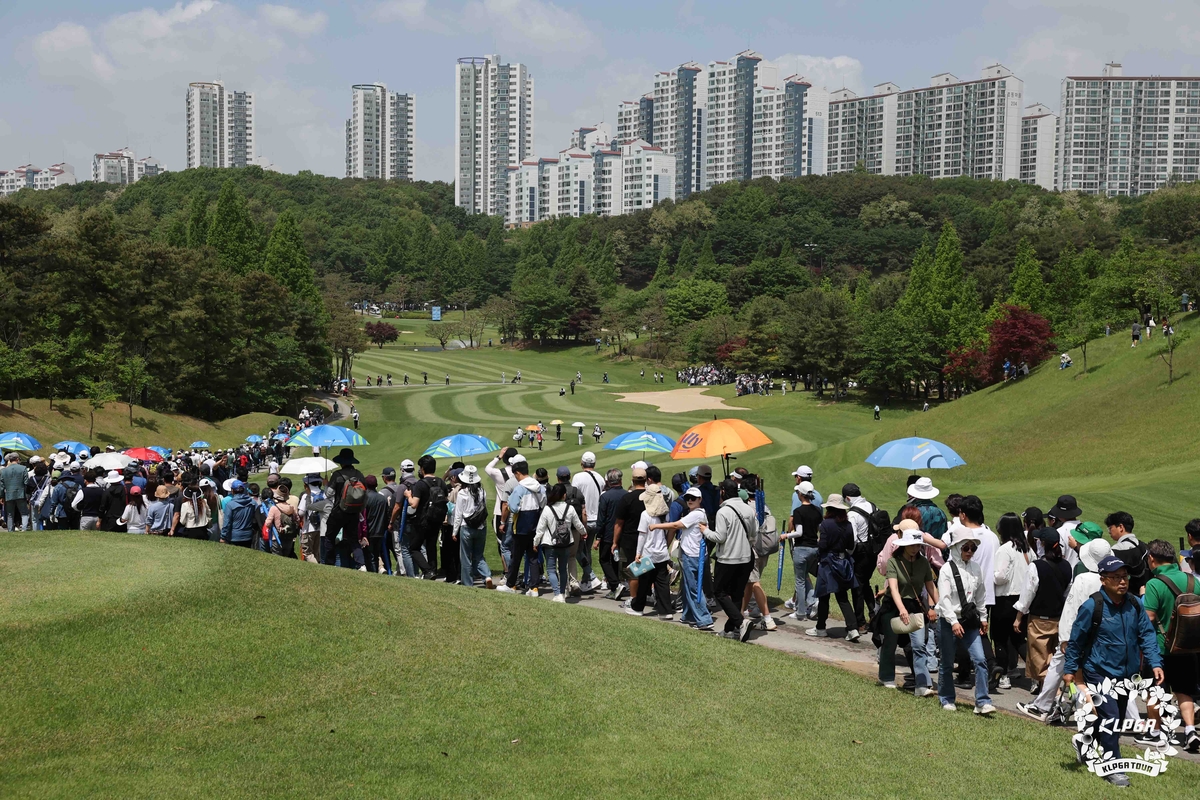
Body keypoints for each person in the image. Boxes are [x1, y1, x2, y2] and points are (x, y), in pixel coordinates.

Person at [1064, 556, 1164, 788]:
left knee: (1114, 720)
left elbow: (1147, 635)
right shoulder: (1092, 606)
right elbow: (1076, 641)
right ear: (1103, 580)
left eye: (1125, 577)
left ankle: (1085, 743)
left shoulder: (1135, 604)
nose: (1122, 582)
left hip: (1126, 674)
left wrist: (1155, 662)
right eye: (1116, 577)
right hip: (1099, 671)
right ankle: (1114, 768)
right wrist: (1070, 669)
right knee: (1111, 718)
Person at [1017, 538, 1112, 723]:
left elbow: (1071, 610)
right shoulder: (1109, 580)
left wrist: (1065, 638)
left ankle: (1043, 706)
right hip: (1101, 635)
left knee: (1063, 669)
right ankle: (1129, 717)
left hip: (1077, 634)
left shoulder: (1083, 579)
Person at [1143, 539, 1199, 752]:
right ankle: (1190, 731)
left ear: (1151, 559)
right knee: (1184, 691)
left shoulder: (1154, 584)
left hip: (1161, 647)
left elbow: (1148, 617)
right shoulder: (1192, 581)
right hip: (1188, 646)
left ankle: (1155, 732)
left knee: (1154, 691)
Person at [935, 530, 994, 714]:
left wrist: (983, 617)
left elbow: (981, 595)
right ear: (956, 548)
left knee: (980, 660)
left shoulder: (976, 568)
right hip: (948, 620)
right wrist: (953, 622)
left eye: (973, 548)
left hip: (968, 620)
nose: (970, 551)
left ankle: (982, 701)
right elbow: (944, 600)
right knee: (946, 662)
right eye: (966, 548)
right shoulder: (946, 569)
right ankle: (946, 698)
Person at [879, 521, 939, 694]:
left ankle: (921, 684)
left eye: (918, 545)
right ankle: (886, 676)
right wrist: (901, 609)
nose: (915, 548)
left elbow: (930, 586)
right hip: (893, 605)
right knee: (890, 643)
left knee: (919, 645)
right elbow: (894, 589)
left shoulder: (924, 563)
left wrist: (937, 606)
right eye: (912, 545)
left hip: (915, 605)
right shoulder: (894, 562)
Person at [1014, 528, 1073, 696]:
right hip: (1059, 619)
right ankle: (1046, 696)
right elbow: (1067, 594)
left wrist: (1019, 617)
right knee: (1052, 659)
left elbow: (1027, 595)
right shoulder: (1067, 566)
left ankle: (1054, 695)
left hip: (1039, 620)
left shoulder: (1036, 566)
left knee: (1039, 662)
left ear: (1042, 544)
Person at [651, 487, 714, 630]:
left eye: (693, 498)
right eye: (688, 498)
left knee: (693, 588)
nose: (690, 500)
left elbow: (675, 525)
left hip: (692, 555)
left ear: (700, 500)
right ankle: (688, 616)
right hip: (693, 554)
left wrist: (655, 526)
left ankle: (704, 619)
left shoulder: (696, 514)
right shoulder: (697, 513)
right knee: (686, 586)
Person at [706, 479, 757, 641]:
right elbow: (754, 534)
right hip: (746, 557)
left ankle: (741, 623)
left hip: (728, 558)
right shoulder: (748, 509)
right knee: (736, 594)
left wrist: (704, 530)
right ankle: (730, 629)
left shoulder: (723, 512)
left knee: (719, 592)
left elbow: (719, 537)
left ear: (722, 492)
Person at [807, 494, 861, 642]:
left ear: (829, 509)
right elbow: (850, 545)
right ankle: (852, 628)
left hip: (827, 562)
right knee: (843, 597)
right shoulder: (848, 525)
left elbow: (823, 545)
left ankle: (820, 628)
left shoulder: (826, 524)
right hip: (842, 562)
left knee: (824, 596)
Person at [992, 512, 1031, 690]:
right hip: (1023, 599)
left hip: (1005, 599)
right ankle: (1036, 675)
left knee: (999, 638)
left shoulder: (1005, 549)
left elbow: (1000, 577)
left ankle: (1004, 676)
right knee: (1018, 639)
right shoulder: (1027, 548)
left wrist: (988, 576)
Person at [496, 456, 543, 595]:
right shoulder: (538, 487)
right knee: (533, 557)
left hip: (521, 525)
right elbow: (543, 503)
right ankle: (533, 588)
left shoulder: (519, 489)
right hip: (535, 524)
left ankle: (511, 585)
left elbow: (514, 508)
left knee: (516, 556)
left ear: (517, 473)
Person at [532, 483, 585, 603]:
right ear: (564, 495)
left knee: (551, 569)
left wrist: (535, 542)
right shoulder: (570, 508)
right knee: (563, 569)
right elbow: (578, 524)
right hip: (566, 543)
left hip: (550, 543)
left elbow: (540, 529)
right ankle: (562, 592)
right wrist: (583, 532)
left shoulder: (547, 509)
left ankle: (557, 593)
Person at [628, 483, 673, 618]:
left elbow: (642, 535)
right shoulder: (665, 514)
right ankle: (665, 611)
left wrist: (638, 553)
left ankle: (638, 608)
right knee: (662, 583)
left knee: (644, 582)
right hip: (662, 553)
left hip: (648, 553)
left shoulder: (645, 514)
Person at [782, 481, 822, 621]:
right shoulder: (817, 510)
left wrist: (786, 535)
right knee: (805, 577)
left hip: (801, 549)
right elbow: (819, 529)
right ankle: (813, 601)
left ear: (801, 495)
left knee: (799, 581)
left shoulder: (798, 511)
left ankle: (800, 612)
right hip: (814, 549)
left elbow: (799, 532)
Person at [405, 455, 448, 580]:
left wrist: (408, 495)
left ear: (422, 469)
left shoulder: (421, 484)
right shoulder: (441, 482)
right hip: (437, 519)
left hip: (423, 520)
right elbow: (445, 499)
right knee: (431, 545)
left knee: (413, 548)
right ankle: (433, 570)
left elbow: (414, 504)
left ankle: (427, 570)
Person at [843, 483, 877, 633]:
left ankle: (860, 623)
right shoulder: (872, 505)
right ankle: (874, 614)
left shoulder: (852, 514)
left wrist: (847, 555)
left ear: (848, 498)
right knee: (865, 584)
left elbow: (853, 540)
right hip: (874, 551)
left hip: (861, 553)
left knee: (857, 588)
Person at [451, 465, 493, 588]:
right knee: (479, 555)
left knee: (465, 558)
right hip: (481, 527)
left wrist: (454, 532)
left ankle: (468, 583)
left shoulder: (462, 493)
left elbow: (458, 515)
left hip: (466, 528)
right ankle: (487, 576)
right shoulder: (482, 492)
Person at [325, 449, 367, 570]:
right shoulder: (359, 475)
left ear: (341, 462)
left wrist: (326, 484)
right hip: (354, 512)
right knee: (353, 539)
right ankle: (361, 564)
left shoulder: (337, 475)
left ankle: (329, 562)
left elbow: (329, 494)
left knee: (330, 536)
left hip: (339, 511)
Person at [612, 468, 649, 602]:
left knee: (633, 570)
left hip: (630, 538)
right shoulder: (651, 497)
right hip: (648, 537)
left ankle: (634, 599)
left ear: (632, 480)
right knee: (648, 567)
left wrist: (615, 542)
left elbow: (619, 523)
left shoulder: (627, 498)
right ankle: (647, 595)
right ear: (645, 481)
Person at [570, 453, 605, 593]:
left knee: (578, 551)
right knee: (586, 550)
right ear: (594, 464)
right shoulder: (600, 478)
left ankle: (590, 576)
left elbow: (574, 497)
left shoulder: (578, 477)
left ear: (581, 463)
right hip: (596, 520)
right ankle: (586, 581)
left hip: (583, 520)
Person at [1106, 511, 1151, 594]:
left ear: (1120, 527)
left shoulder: (1117, 549)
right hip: (1145, 592)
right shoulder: (1143, 545)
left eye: (1110, 528)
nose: (1109, 531)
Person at [361, 476, 390, 572]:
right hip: (380, 531)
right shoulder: (382, 499)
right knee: (376, 555)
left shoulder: (365, 498)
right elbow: (387, 516)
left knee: (370, 557)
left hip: (369, 531)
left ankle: (372, 575)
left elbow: (363, 517)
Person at [296, 474, 325, 563]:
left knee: (307, 552)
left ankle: (317, 568)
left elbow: (301, 513)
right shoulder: (324, 494)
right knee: (316, 552)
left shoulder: (306, 495)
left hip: (309, 528)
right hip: (321, 527)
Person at [219, 480, 256, 547]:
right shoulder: (253, 502)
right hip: (248, 535)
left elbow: (227, 523)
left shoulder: (230, 505)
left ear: (232, 490)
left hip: (234, 537)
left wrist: (223, 536)